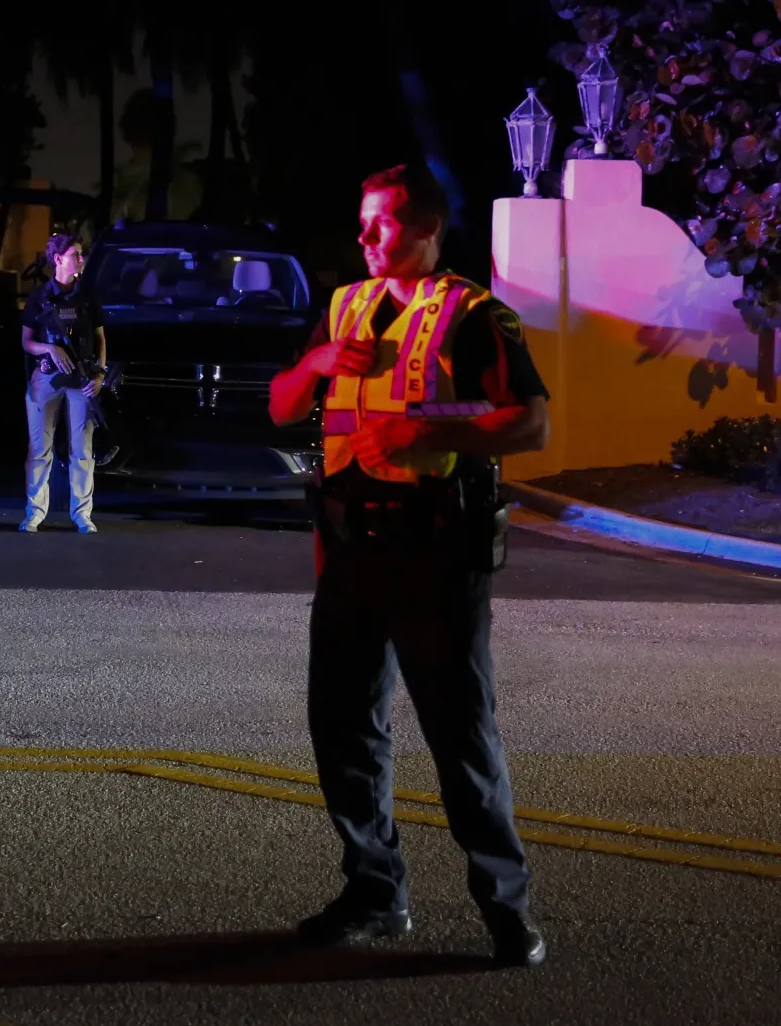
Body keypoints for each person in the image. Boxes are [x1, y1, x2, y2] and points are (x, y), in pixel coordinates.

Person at [268, 163, 551, 966]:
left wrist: (431, 436)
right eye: (362, 221)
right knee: (344, 727)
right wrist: (317, 367)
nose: (362, 237)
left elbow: (531, 424)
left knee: (461, 735)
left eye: (381, 223)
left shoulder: (476, 315)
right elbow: (282, 404)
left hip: (436, 552)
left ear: (426, 228)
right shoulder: (344, 306)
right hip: (351, 550)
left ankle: (507, 908)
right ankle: (374, 890)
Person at [19, 232, 106, 533]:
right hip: (47, 377)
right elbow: (27, 342)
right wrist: (50, 348)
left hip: (82, 378)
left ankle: (82, 514)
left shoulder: (87, 295)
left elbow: (99, 338)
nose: (81, 260)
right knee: (39, 448)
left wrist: (100, 374)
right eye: (76, 254)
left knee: (82, 449)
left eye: (82, 254)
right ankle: (34, 512)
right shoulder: (40, 296)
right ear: (58, 259)